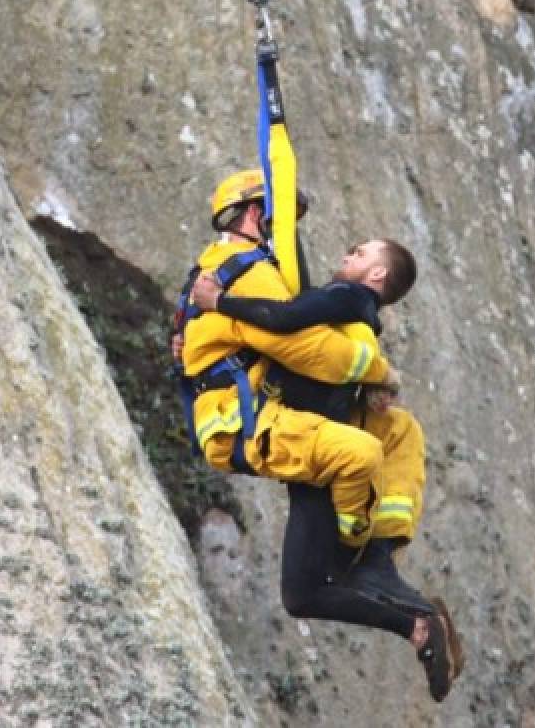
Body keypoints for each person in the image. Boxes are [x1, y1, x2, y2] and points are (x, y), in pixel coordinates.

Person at [176, 169, 463, 701]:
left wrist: (375, 374)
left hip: (288, 418)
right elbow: (319, 353)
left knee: (304, 587)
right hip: (255, 423)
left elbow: (319, 344)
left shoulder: (246, 271)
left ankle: (399, 599)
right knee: (362, 451)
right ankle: (361, 552)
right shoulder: (243, 274)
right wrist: (380, 372)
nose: (294, 233)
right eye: (286, 218)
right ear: (259, 215)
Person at [187, 238, 431, 612]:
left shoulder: (347, 296)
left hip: (291, 425)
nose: (347, 255)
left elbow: (285, 318)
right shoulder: (358, 317)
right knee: (395, 432)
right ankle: (374, 557)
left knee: (358, 456)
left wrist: (218, 302)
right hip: (313, 421)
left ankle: (351, 550)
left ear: (377, 273)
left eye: (360, 253)